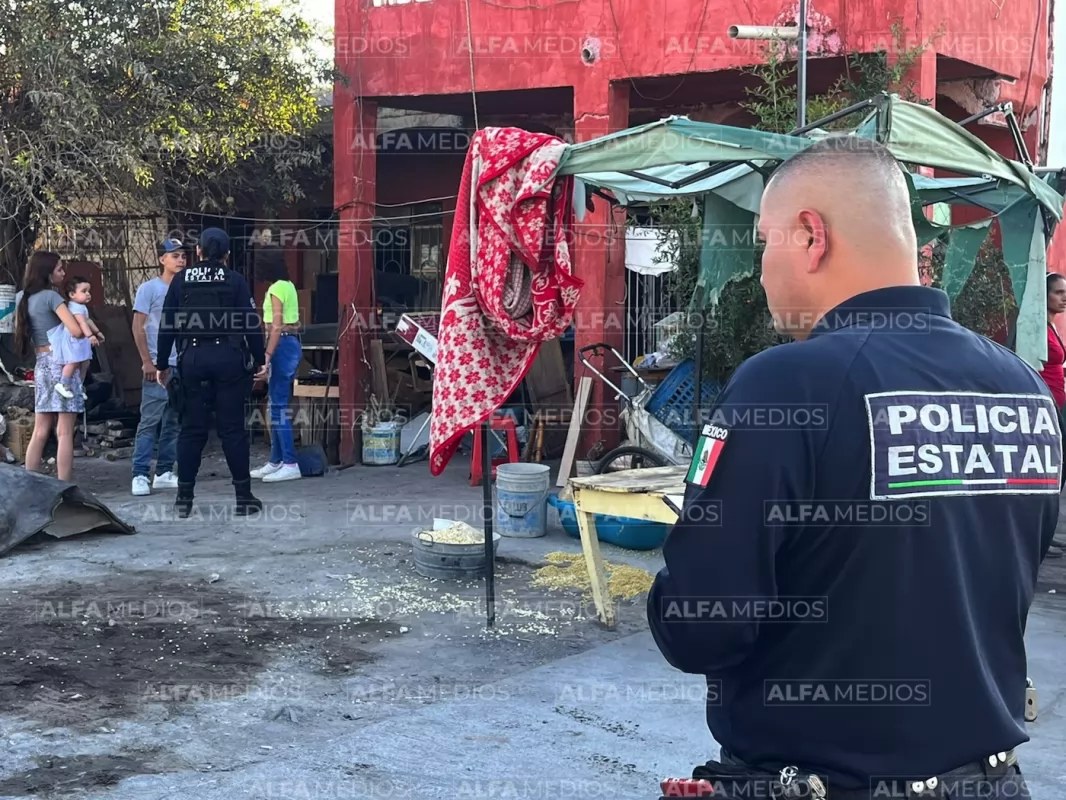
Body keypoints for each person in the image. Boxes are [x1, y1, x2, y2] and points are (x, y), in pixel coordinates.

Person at [648, 137, 1055, 799]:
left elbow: (702, 626)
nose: (759, 269)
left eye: (763, 242)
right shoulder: (1021, 388)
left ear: (811, 235)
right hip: (992, 781)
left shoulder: (787, 386)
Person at [155, 227, 265, 517]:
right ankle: (243, 498)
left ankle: (184, 501)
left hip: (192, 359)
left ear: (199, 252)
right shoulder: (235, 280)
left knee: (191, 430)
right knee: (232, 430)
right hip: (228, 359)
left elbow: (167, 323)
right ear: (227, 256)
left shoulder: (181, 280)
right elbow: (251, 322)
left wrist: (162, 363)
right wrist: (259, 358)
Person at [13, 252, 87, 482]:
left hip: (41, 364)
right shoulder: (52, 298)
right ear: (47, 272)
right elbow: (75, 331)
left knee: (40, 429)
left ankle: (30, 482)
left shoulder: (21, 298)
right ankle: (63, 486)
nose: (63, 274)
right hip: (62, 364)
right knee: (64, 431)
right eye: (59, 269)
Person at [129, 238, 186, 496]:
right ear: (162, 259)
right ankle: (139, 473)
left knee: (173, 420)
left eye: (183, 255)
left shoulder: (186, 288)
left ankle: (164, 471)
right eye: (175, 256)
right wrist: (146, 361)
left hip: (181, 363)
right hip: (157, 365)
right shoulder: (148, 289)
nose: (181, 260)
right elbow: (137, 327)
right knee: (149, 421)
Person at [250, 258, 303, 483]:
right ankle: (276, 460)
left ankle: (290, 463)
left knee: (278, 407)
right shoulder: (289, 286)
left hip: (279, 346)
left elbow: (276, 325)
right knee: (276, 403)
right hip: (290, 343)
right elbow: (295, 323)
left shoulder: (274, 289)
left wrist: (267, 357)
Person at [47, 276, 103, 400]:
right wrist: (90, 335)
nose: (88, 294)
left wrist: (97, 332)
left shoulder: (81, 307)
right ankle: (64, 384)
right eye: (84, 291)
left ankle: (78, 386)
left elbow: (88, 320)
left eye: (89, 291)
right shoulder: (74, 307)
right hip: (74, 341)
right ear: (72, 294)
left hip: (80, 341)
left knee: (85, 362)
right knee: (73, 362)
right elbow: (82, 323)